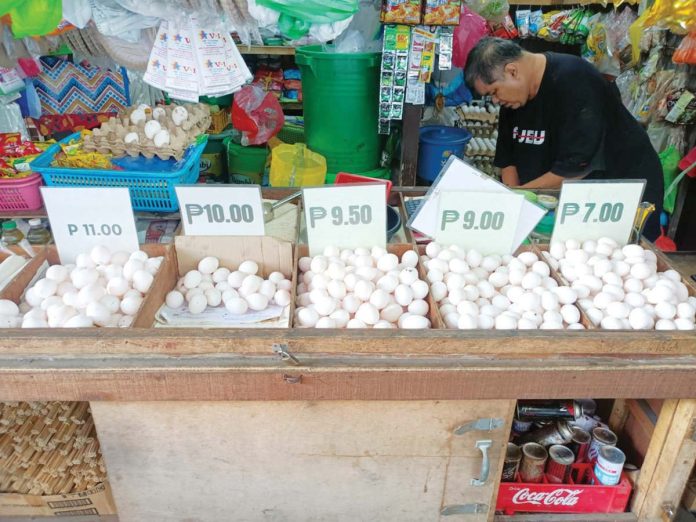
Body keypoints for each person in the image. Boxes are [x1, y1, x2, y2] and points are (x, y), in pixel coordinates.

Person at [464, 37, 664, 240]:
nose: (496, 101)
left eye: (494, 92)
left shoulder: (576, 79)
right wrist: (513, 202)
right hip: (571, 194)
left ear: (512, 71)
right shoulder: (513, 99)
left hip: (620, 189)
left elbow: (574, 168)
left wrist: (519, 198)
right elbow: (508, 160)